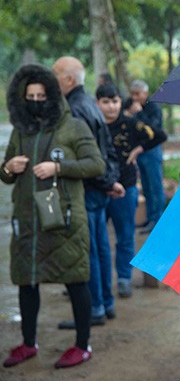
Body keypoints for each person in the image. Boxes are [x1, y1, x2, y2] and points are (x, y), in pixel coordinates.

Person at [1, 64, 105, 368]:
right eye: (29, 95)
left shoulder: (73, 126)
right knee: (26, 281)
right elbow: (5, 174)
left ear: (52, 96)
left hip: (64, 221)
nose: (35, 100)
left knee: (75, 279)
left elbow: (95, 164)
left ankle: (82, 345)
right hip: (27, 221)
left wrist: (59, 168)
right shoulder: (21, 131)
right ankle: (28, 342)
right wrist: (9, 168)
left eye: (40, 95)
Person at [52, 56, 123, 328]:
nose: (52, 78)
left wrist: (107, 182)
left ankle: (95, 307)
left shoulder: (75, 109)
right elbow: (107, 152)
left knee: (89, 250)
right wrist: (111, 182)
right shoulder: (88, 106)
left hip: (88, 190)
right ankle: (106, 303)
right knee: (101, 247)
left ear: (69, 79)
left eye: (56, 73)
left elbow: (91, 158)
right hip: (99, 188)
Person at [96, 84, 167, 298]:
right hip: (97, 188)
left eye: (115, 102)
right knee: (96, 239)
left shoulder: (130, 124)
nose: (111, 107)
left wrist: (139, 149)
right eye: (106, 103)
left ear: (120, 102)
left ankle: (124, 278)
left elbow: (159, 135)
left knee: (125, 235)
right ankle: (97, 282)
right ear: (98, 104)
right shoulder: (92, 126)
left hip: (125, 188)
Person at [130, 79, 166, 234]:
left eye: (138, 94)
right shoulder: (134, 108)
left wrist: (138, 113)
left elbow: (153, 129)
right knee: (146, 187)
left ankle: (159, 219)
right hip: (140, 152)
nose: (135, 97)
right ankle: (150, 217)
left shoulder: (153, 107)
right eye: (133, 94)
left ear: (145, 93)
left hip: (152, 151)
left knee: (155, 186)